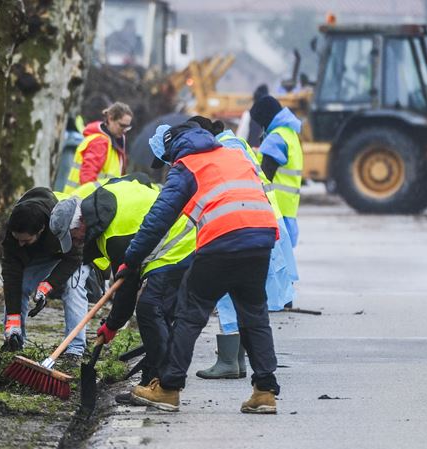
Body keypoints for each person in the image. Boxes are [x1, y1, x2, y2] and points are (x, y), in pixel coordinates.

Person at [123, 121, 282, 414]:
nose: (168, 164)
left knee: (189, 314)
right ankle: (265, 391)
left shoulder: (187, 166)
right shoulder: (234, 155)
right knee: (254, 314)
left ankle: (168, 389)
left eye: (167, 159)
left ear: (173, 147)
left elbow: (159, 218)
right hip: (261, 236)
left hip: (222, 239)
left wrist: (132, 259)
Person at [187, 116, 298, 380]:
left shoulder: (227, 148)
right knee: (243, 297)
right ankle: (237, 361)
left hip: (244, 224)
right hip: (259, 221)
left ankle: (231, 361)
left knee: (232, 295)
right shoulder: (235, 143)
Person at [81, 178, 196, 404]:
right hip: (178, 243)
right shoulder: (104, 209)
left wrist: (112, 325)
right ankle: (152, 381)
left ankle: (164, 386)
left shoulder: (113, 235)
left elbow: (127, 288)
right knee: (157, 312)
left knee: (150, 308)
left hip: (176, 246)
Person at [0, 188, 88, 356]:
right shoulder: (16, 228)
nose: (20, 244)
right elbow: (12, 275)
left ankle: (75, 349)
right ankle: (15, 341)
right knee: (22, 286)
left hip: (71, 252)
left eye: (25, 240)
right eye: (17, 239)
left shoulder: (62, 222)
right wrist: (12, 318)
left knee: (73, 289)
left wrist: (47, 286)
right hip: (42, 254)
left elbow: (74, 258)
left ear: (40, 230)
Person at [251, 95, 304, 247]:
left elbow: (265, 175)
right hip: (288, 209)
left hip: (274, 212)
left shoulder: (275, 138)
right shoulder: (288, 133)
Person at [63, 102, 133, 193]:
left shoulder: (113, 143)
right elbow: (87, 178)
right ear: (110, 119)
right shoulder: (100, 142)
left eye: (127, 127)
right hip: (83, 201)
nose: (124, 131)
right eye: (122, 126)